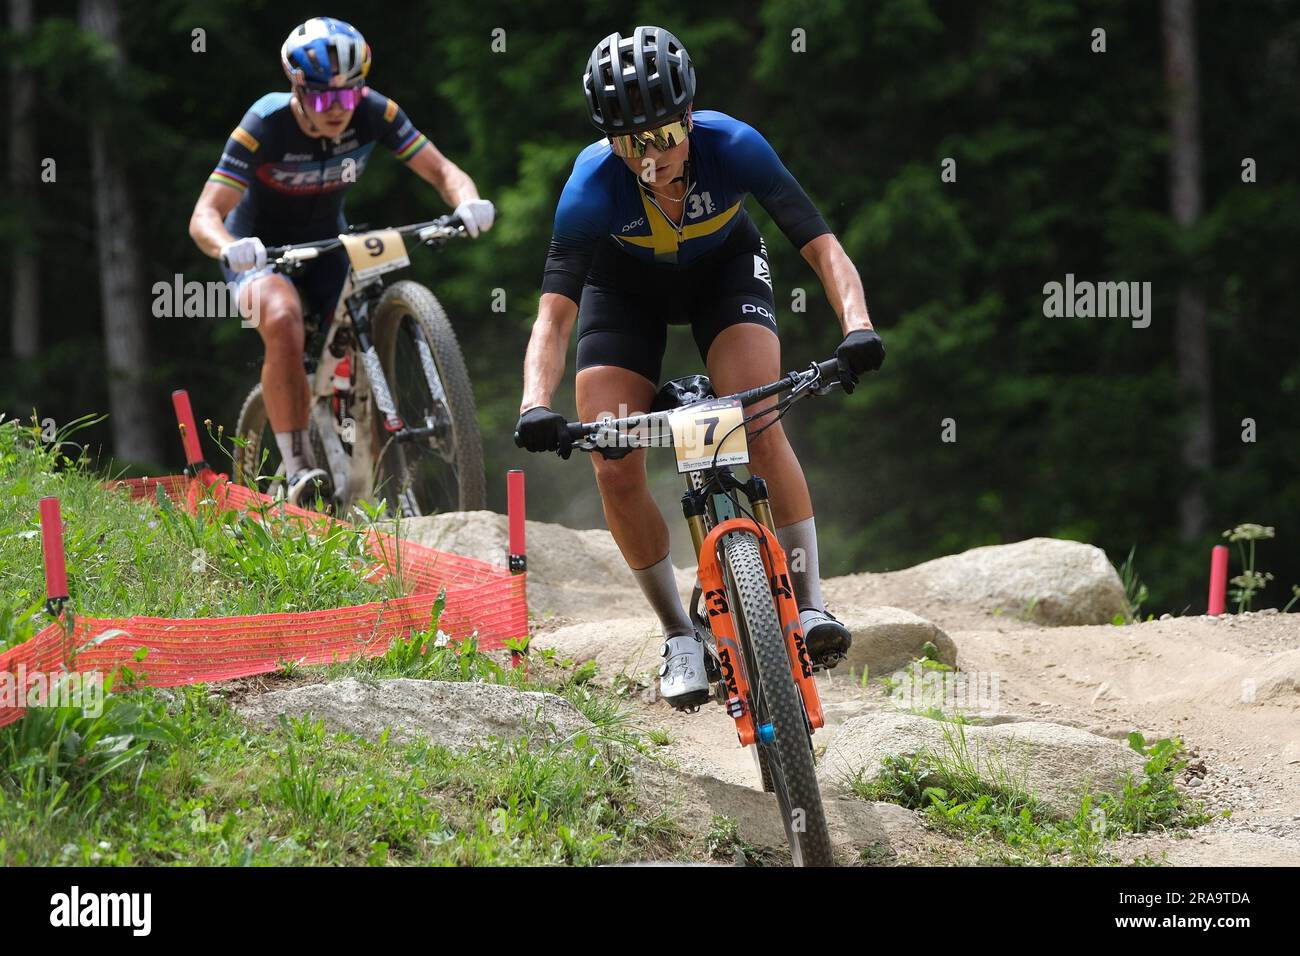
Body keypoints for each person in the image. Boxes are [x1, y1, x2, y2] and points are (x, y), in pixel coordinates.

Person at [514, 26, 885, 710]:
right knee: (613, 457)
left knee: (758, 417)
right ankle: (679, 636)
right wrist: (535, 402)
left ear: (688, 117)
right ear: (609, 140)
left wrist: (857, 327)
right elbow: (556, 314)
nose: (649, 158)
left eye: (661, 136)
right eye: (630, 143)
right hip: (623, 295)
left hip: (723, 275)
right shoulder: (590, 188)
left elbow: (825, 250)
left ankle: (809, 606)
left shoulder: (735, 146)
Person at [188, 16, 494, 503]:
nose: (340, 110)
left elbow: (442, 171)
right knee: (283, 317)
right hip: (259, 249)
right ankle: (296, 469)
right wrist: (228, 245)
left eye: (349, 96)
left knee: (361, 327)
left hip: (327, 242)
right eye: (326, 98)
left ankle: (380, 489)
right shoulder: (266, 122)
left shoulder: (375, 112)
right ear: (297, 88)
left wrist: (467, 202)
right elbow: (205, 214)